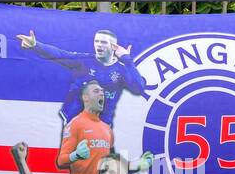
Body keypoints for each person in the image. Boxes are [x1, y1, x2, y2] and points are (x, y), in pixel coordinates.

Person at [16, 26, 147, 127]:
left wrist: (127, 60)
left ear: (113, 47)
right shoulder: (84, 61)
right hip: (75, 123)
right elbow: (60, 55)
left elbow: (139, 88)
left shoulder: (121, 69)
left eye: (103, 42)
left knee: (98, 162)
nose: (99, 45)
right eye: (97, 41)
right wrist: (35, 45)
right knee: (73, 160)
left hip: (102, 127)